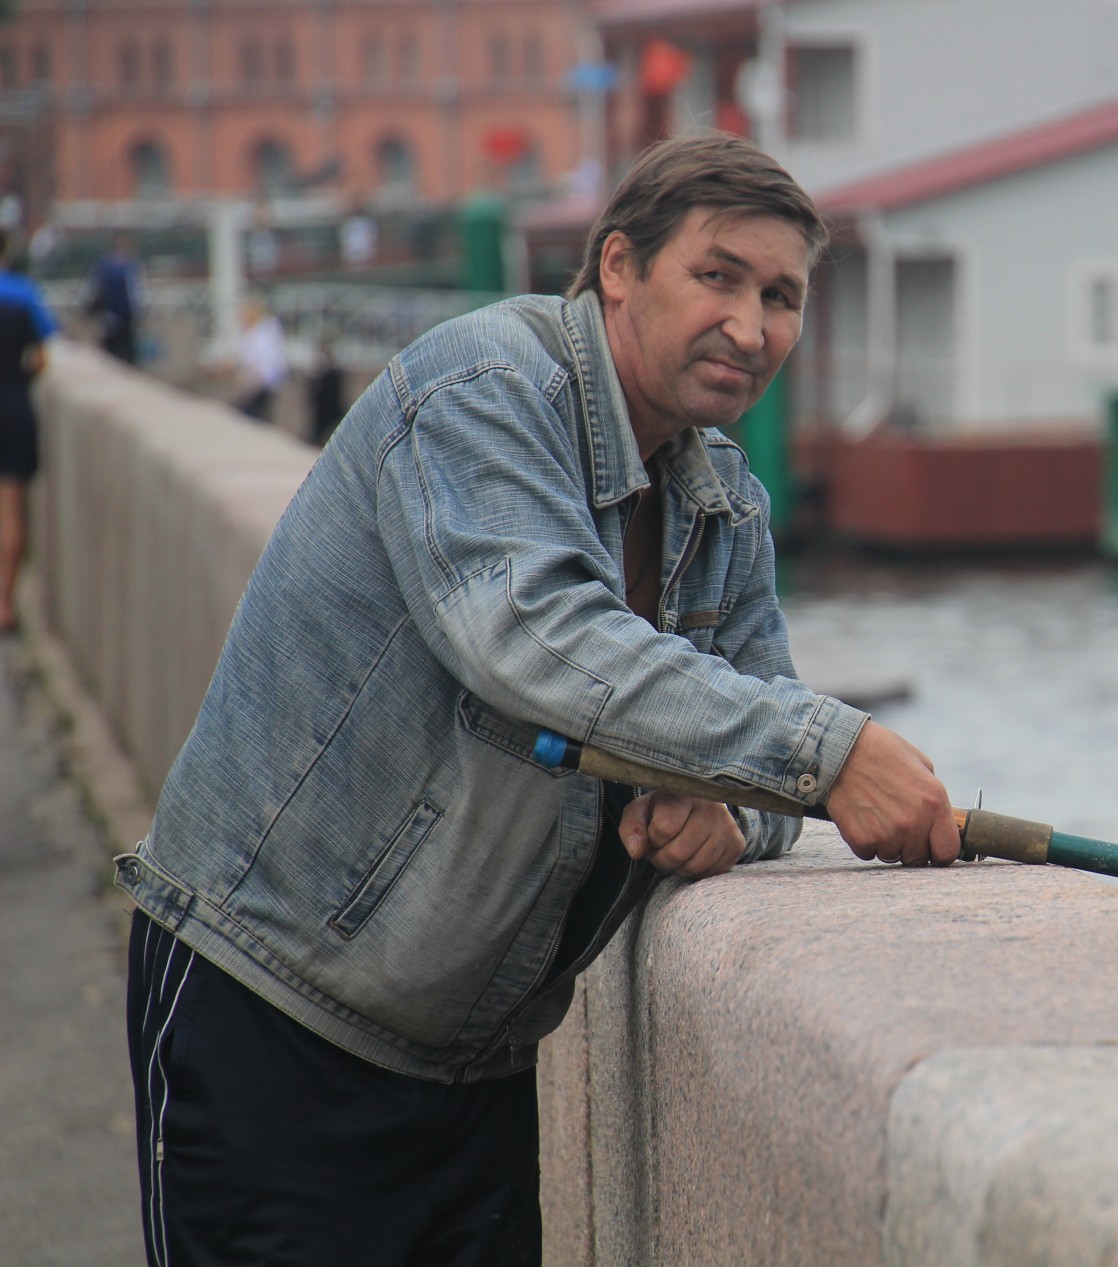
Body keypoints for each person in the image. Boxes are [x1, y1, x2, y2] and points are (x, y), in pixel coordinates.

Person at [116, 132, 958, 1266]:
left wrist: (732, 810)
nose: (752, 328)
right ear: (618, 267)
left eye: (781, 296)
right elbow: (534, 635)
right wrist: (828, 753)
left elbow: (759, 723)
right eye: (717, 277)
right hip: (274, 1011)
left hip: (473, 1066)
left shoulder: (726, 500)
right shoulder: (483, 384)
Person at [0, 229, 57, 634]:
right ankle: (4, 604)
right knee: (11, 510)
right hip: (13, 407)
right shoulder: (22, 293)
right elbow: (41, 357)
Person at [230, 292, 290, 422]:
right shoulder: (248, 332)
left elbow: (265, 362)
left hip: (265, 382)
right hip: (257, 379)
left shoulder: (265, 331)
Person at [85, 233, 142, 364]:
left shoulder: (102, 266)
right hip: (124, 318)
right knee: (127, 358)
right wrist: (138, 314)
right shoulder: (130, 267)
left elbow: (91, 291)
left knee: (110, 358)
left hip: (108, 318)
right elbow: (136, 294)